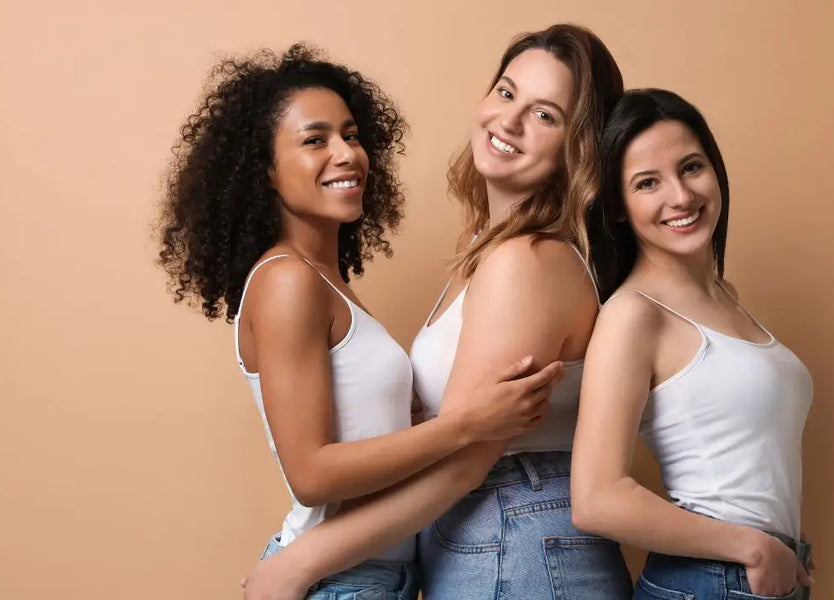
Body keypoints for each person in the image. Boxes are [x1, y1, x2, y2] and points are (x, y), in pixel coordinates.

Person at [157, 43, 563, 600]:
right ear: (266, 172)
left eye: (351, 135)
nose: (346, 154)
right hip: (338, 579)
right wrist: (465, 424)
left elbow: (362, 434)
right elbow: (312, 473)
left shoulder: (325, 281)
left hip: (379, 575)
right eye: (314, 140)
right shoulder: (287, 281)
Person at [242, 24, 631, 600]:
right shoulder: (487, 250)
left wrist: (300, 563)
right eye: (506, 93)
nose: (511, 121)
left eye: (546, 115)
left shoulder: (525, 259)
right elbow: (454, 433)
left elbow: (466, 463)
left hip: (513, 534)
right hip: (489, 536)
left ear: (580, 146)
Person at [571, 88, 815, 600]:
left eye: (691, 167)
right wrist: (751, 547)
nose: (680, 197)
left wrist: (778, 548)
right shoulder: (633, 315)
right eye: (647, 183)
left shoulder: (727, 299)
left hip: (761, 573)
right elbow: (595, 497)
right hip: (712, 578)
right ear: (617, 206)